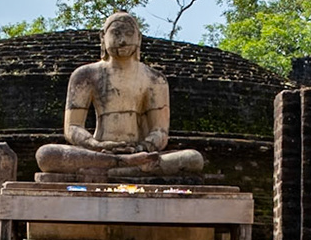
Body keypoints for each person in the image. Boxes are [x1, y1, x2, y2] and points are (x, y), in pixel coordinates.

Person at [35, 12, 204, 178]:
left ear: (138, 38)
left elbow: (160, 131)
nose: (123, 40)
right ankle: (123, 165)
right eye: (116, 33)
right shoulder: (85, 75)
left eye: (129, 34)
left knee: (193, 158)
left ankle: (120, 165)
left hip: (139, 152)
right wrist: (95, 145)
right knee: (46, 155)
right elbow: (72, 127)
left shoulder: (155, 79)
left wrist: (141, 148)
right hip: (98, 151)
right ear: (103, 37)